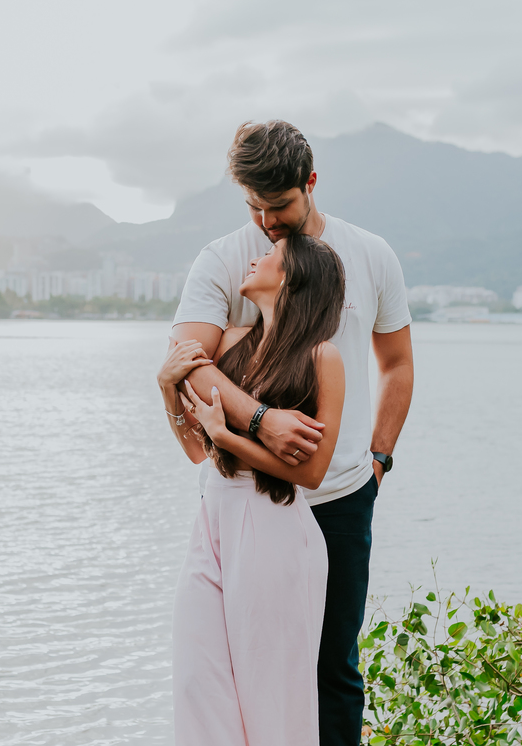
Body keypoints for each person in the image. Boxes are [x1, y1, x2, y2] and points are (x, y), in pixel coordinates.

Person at [170, 120, 414, 746]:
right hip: (247, 503)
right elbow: (188, 363)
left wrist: (378, 461)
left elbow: (396, 365)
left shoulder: (371, 255)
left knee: (334, 671)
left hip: (340, 498)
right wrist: (261, 421)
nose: (266, 222)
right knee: (229, 668)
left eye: (278, 206)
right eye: (253, 206)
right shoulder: (224, 260)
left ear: (310, 182)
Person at [159, 233, 347, 746]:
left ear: (291, 278)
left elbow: (312, 473)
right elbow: (196, 450)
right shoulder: (229, 343)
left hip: (274, 525)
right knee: (198, 682)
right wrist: (167, 389)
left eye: (270, 255)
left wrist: (227, 437)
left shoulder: (322, 358)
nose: (256, 257)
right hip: (213, 520)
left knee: (271, 696)